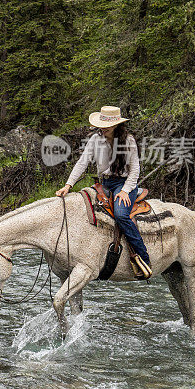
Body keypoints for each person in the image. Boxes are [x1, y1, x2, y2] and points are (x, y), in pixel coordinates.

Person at [55, 105, 152, 277]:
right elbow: (82, 163)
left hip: (124, 183)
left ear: (117, 125)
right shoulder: (95, 139)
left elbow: (135, 170)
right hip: (104, 183)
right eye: (102, 124)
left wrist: (125, 190)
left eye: (108, 124)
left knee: (121, 214)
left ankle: (143, 257)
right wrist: (68, 185)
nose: (103, 128)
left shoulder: (128, 140)